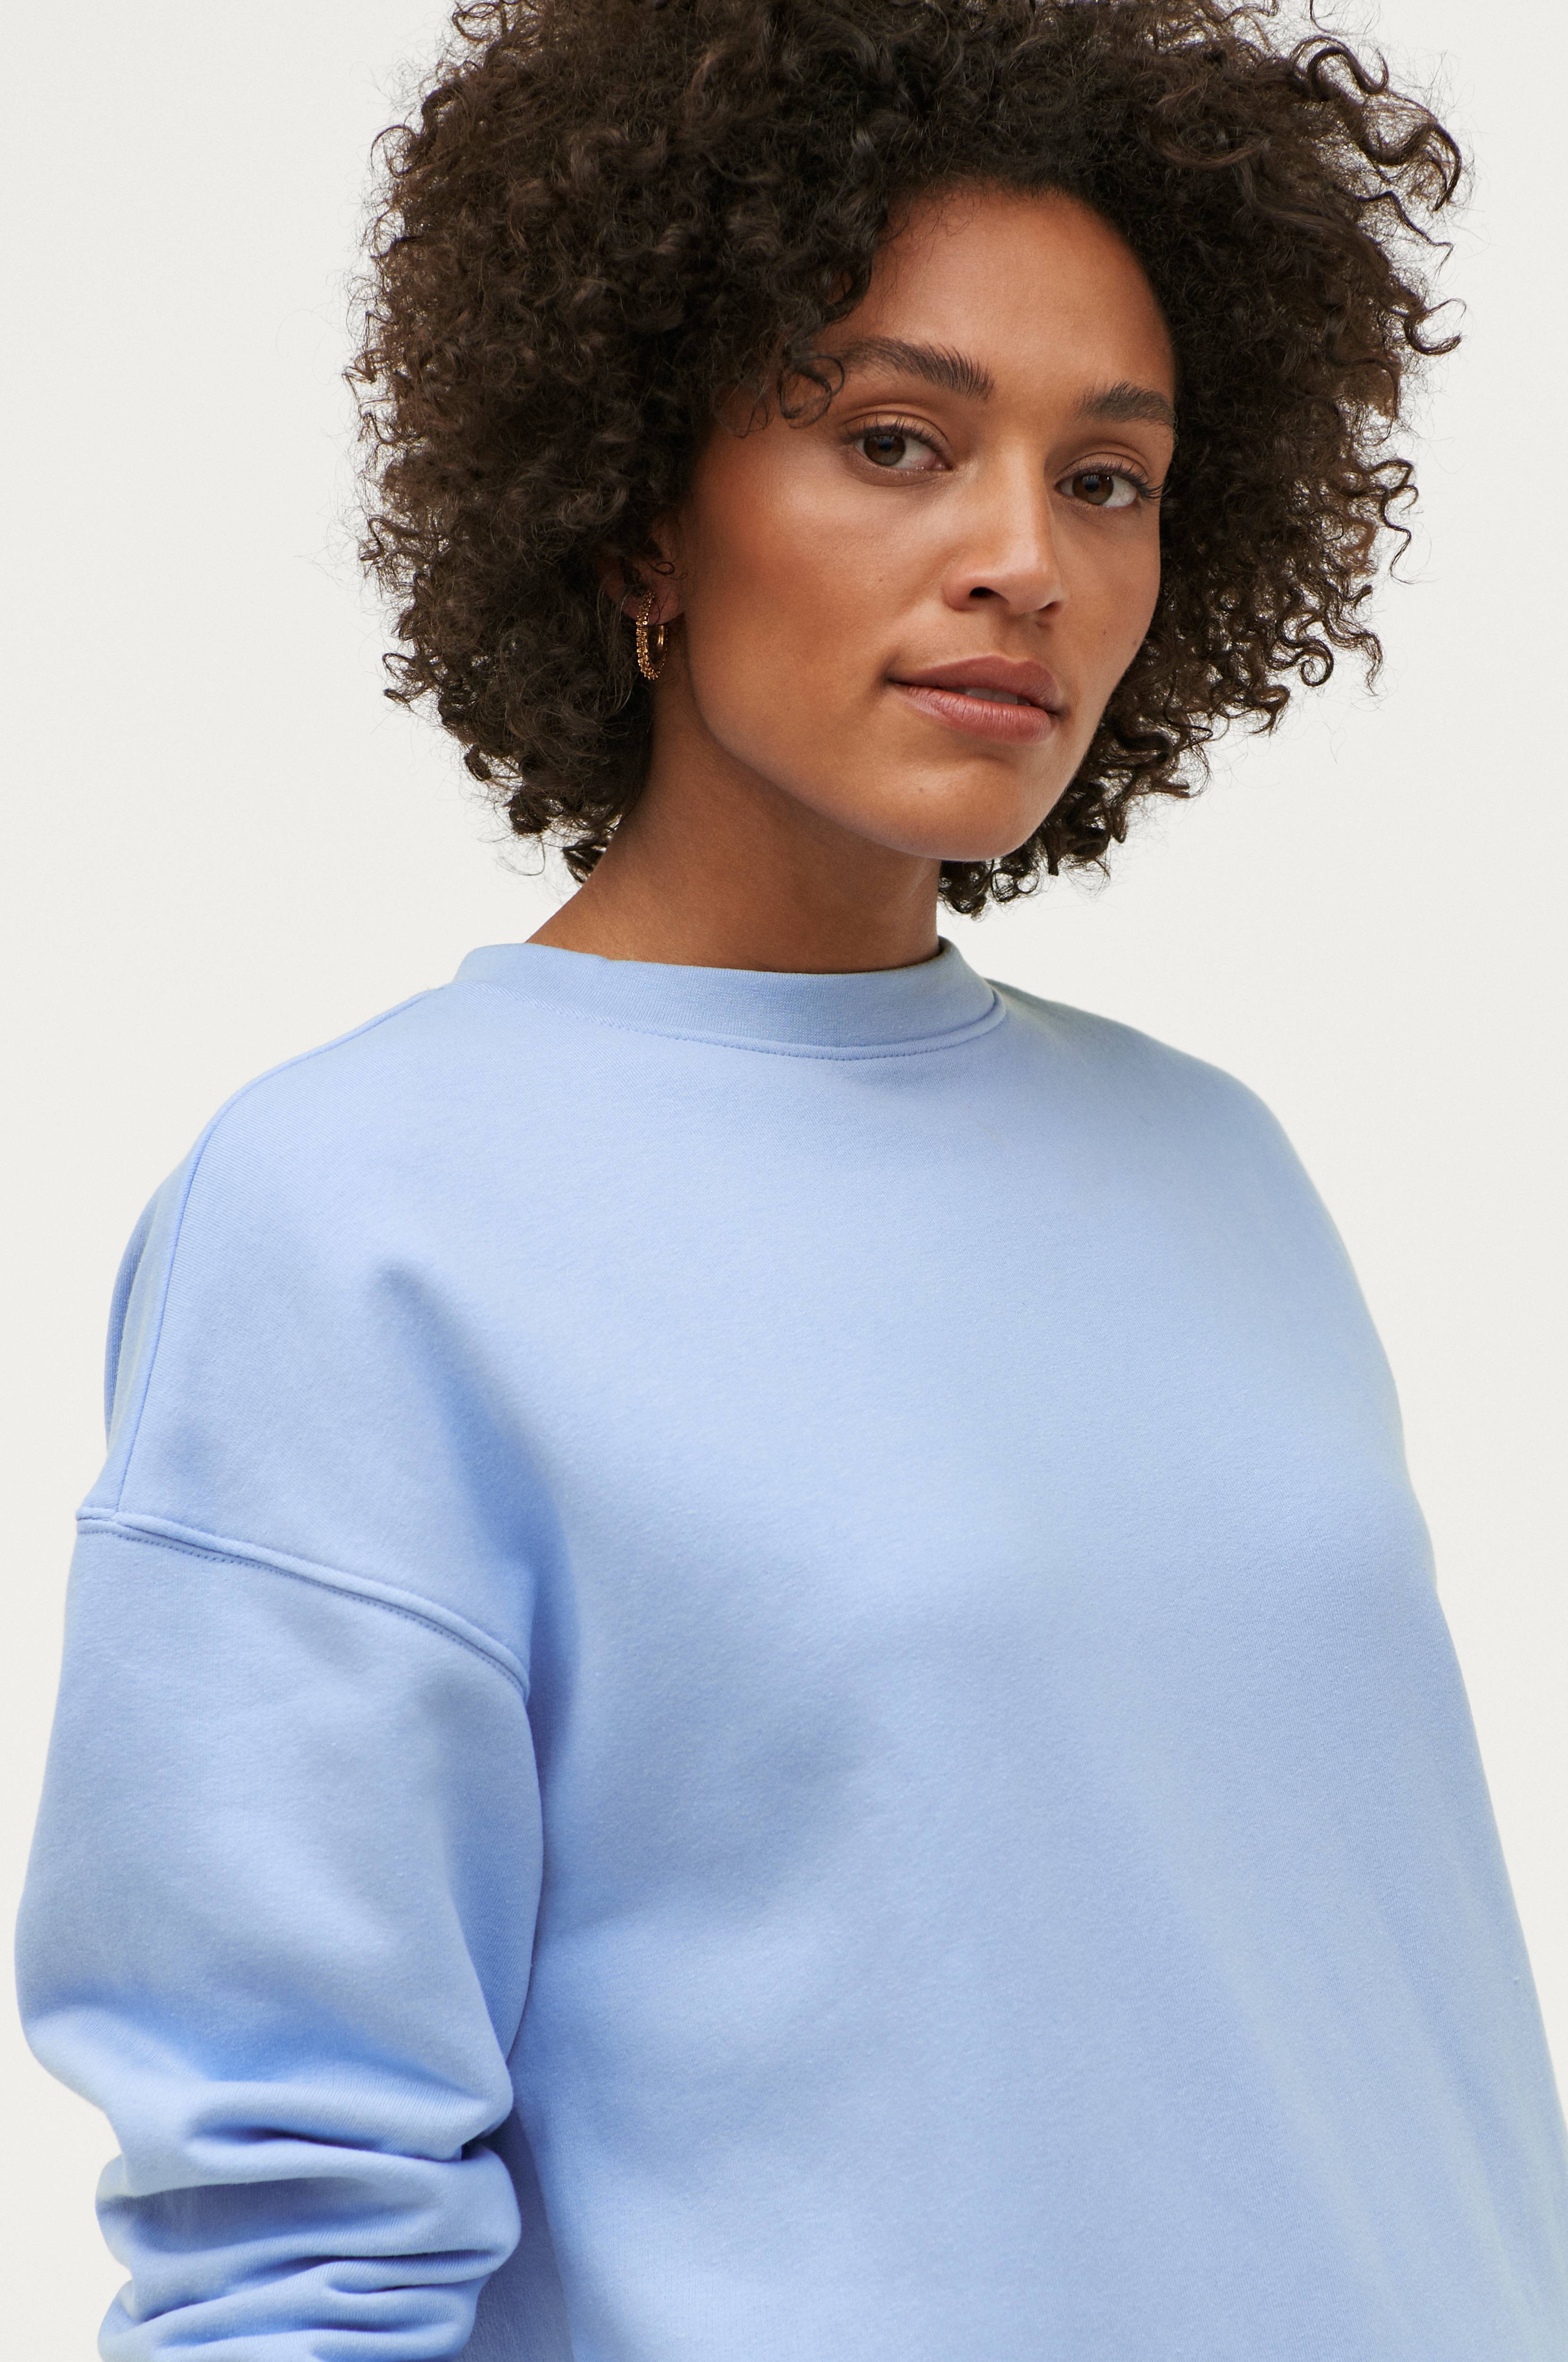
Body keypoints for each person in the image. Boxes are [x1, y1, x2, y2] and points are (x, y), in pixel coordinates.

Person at [17, 0, 1568, 2355]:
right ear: (644, 502)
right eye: (892, 440)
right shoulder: (361, 1223)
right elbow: (287, 2248)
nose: (1021, 559)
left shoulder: (1213, 1164)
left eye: (1107, 478)